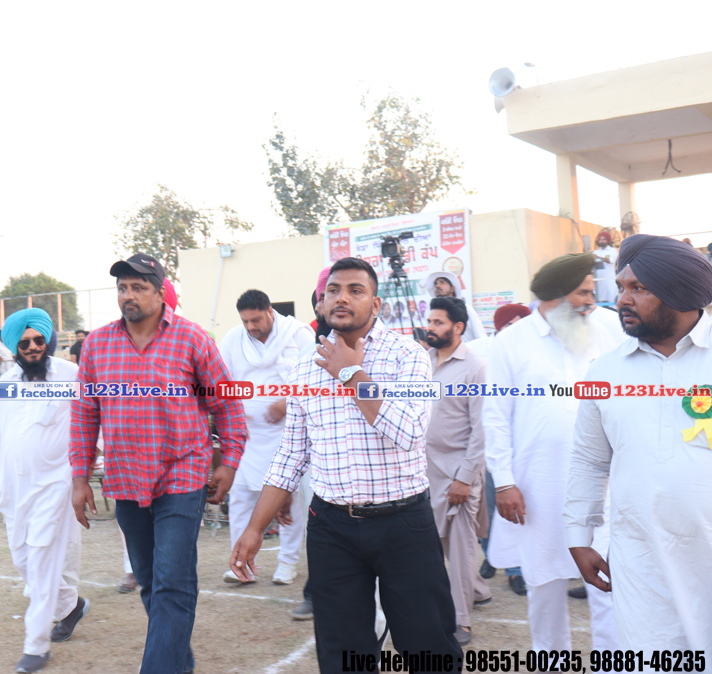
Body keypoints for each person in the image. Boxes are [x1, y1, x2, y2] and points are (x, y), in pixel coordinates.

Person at [230, 257, 462, 672]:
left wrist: (351, 374)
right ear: (321, 303)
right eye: (333, 290)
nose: (342, 298)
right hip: (332, 527)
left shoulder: (407, 355)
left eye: (356, 290)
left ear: (376, 304)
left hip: (403, 524)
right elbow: (291, 455)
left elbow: (410, 432)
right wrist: (253, 527)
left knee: (428, 647)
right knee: (342, 654)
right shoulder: (305, 366)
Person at [71, 253, 248, 674]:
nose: (128, 295)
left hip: (182, 476)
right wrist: (80, 478)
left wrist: (230, 461)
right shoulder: (97, 345)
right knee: (152, 582)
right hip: (125, 478)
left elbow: (226, 403)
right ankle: (178, 662)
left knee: (172, 581)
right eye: (122, 288)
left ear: (160, 293)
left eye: (138, 287)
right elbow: (84, 415)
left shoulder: (192, 339)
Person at [566, 234, 712, 650]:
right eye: (621, 287)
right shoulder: (604, 372)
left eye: (639, 288)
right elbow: (589, 459)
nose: (622, 300)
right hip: (641, 559)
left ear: (679, 293)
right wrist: (578, 533)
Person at [483, 252, 618, 651]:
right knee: (544, 585)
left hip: (601, 486)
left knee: (610, 586)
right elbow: (495, 417)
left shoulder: (604, 333)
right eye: (583, 293)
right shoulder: (510, 342)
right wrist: (503, 482)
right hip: (537, 487)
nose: (591, 301)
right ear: (556, 295)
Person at [0, 308, 86, 673]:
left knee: (41, 562)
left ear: (48, 341)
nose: (33, 347)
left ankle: (36, 646)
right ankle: (71, 606)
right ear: (14, 348)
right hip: (14, 488)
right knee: (23, 561)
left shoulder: (71, 375)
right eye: (24, 343)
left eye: (38, 340)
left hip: (55, 484)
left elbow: (91, 421)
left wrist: (86, 471)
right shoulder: (6, 382)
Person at [218, 289, 314, 586]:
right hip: (248, 436)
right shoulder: (232, 339)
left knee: (289, 501)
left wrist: (286, 402)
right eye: (245, 321)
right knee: (241, 498)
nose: (251, 327)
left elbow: (315, 379)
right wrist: (234, 418)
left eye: (256, 320)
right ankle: (241, 563)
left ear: (270, 312)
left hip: (290, 435)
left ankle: (288, 562)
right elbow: (223, 382)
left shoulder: (298, 334)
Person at [424, 297, 491, 645]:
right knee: (437, 545)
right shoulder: (423, 362)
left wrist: (465, 478)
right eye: (430, 321)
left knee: (462, 548)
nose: (430, 327)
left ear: (458, 327)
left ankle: (461, 621)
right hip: (424, 472)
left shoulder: (475, 367)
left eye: (438, 322)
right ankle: (478, 590)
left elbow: (481, 429)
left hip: (458, 473)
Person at [464, 302, 531, 589]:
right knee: (487, 506)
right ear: (500, 327)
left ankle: (516, 568)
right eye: (513, 325)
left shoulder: (535, 353)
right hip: (485, 440)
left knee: (519, 505)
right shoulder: (478, 351)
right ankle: (492, 555)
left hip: (524, 441)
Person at [425, 271, 487, 340]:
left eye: (442, 282)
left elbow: (481, 337)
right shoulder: (431, 314)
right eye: (436, 284)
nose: (437, 286)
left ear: (452, 289)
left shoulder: (466, 309)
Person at [592, 231, 619, 303]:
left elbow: (611, 260)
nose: (601, 241)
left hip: (609, 279)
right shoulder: (595, 252)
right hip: (599, 280)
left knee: (611, 300)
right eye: (600, 240)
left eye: (604, 239)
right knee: (599, 300)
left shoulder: (613, 250)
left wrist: (598, 258)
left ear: (608, 240)